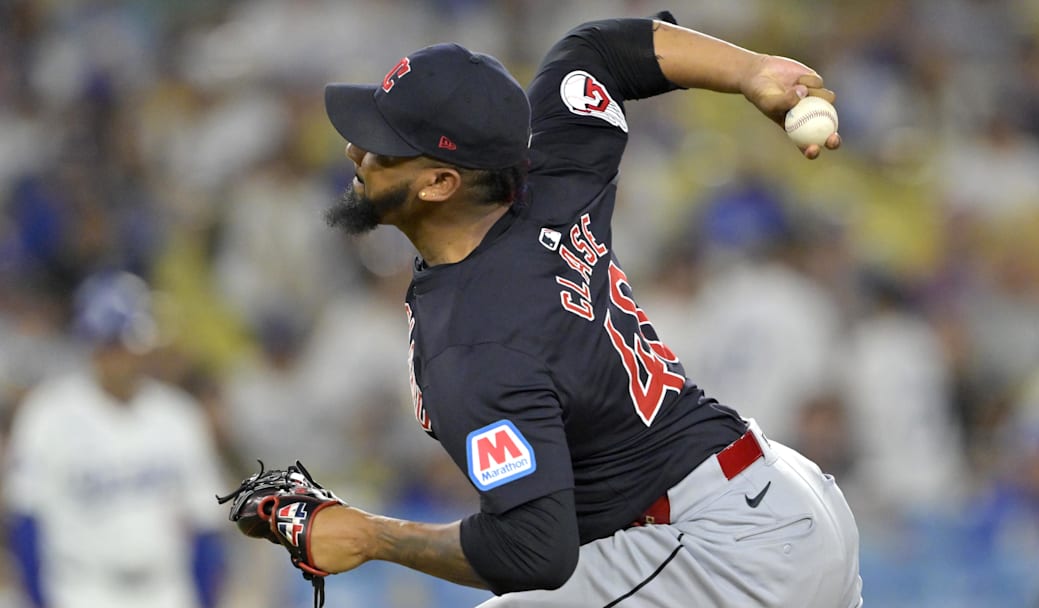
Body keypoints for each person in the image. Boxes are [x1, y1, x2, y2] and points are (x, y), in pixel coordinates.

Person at [275, 11, 860, 607]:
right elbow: (600, 52)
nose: (354, 150)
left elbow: (535, 553)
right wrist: (751, 70)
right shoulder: (550, 170)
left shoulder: (479, 343)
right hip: (780, 497)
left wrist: (375, 536)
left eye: (382, 148)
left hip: (722, 548)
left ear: (441, 183)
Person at [2, 271, 228, 608]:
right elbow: (26, 522)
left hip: (165, 589)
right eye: (109, 343)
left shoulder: (178, 416)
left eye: (126, 343)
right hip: (81, 590)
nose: (119, 355)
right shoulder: (48, 414)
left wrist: (205, 599)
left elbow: (205, 525)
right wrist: (39, 598)